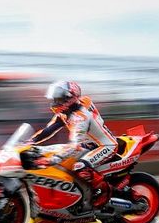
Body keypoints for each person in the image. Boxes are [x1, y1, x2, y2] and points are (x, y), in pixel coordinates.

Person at [28, 80, 118, 209]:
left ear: (69, 98)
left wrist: (53, 160)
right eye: (55, 99)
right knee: (58, 154)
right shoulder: (66, 111)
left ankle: (104, 193)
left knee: (80, 167)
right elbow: (49, 129)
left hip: (105, 146)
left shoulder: (80, 117)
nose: (55, 102)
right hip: (89, 145)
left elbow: (74, 145)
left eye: (58, 99)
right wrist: (29, 142)